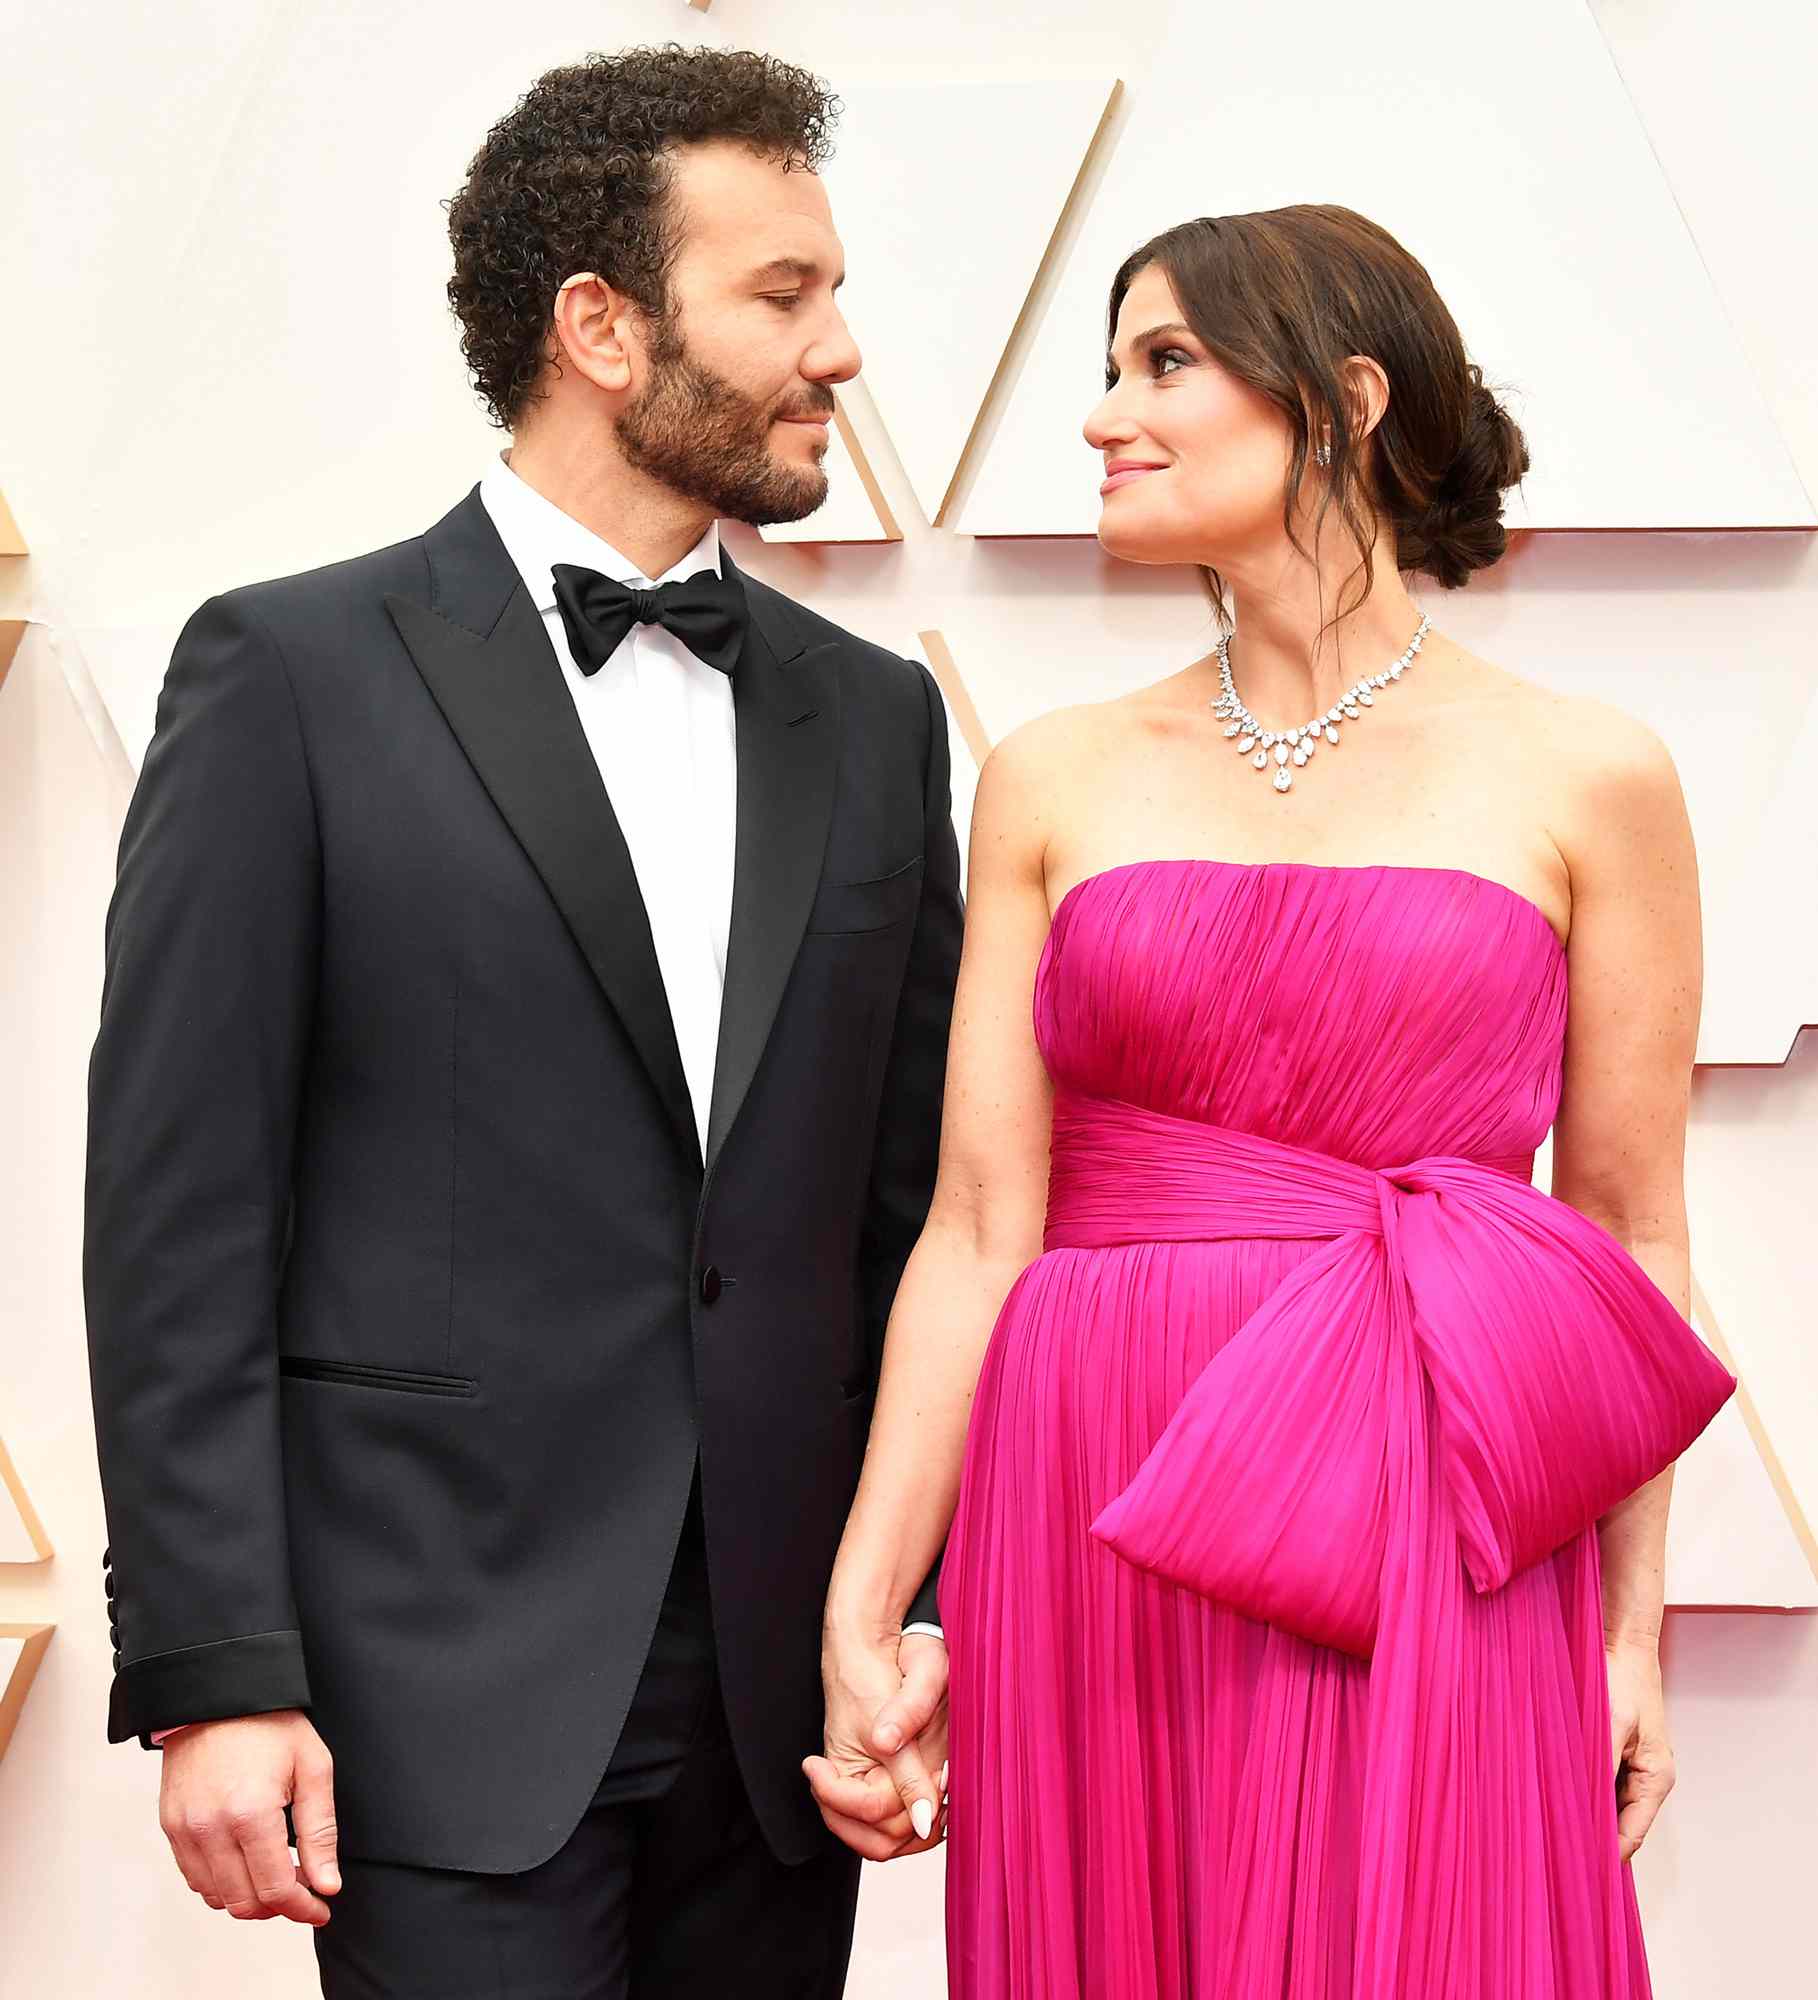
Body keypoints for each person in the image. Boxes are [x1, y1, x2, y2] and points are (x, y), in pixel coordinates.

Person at [84, 45, 958, 1999]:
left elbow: (915, 1229)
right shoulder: (287, 674)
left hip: (778, 1713)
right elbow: (180, 1219)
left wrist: (915, 1611)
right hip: (437, 1689)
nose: (843, 351)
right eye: (785, 292)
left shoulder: (877, 721)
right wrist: (217, 1671)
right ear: (602, 330)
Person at [811, 204, 1736, 1996]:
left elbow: (1626, 1238)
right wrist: (871, 1601)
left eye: (1162, 363)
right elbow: (984, 1225)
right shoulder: (1050, 776)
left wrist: (1630, 1635)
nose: (1099, 415)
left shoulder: (1589, 775)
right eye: (1103, 368)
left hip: (1431, 1490)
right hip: (1091, 1490)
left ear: (1341, 402)